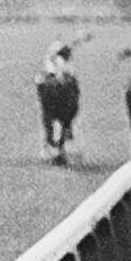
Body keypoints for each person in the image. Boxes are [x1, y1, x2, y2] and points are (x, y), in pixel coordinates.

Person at [35, 33, 87, 165]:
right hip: (52, 79)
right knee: (44, 84)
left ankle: (69, 113)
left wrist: (82, 38)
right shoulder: (52, 60)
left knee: (71, 85)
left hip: (57, 78)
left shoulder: (62, 60)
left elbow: (73, 45)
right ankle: (51, 111)